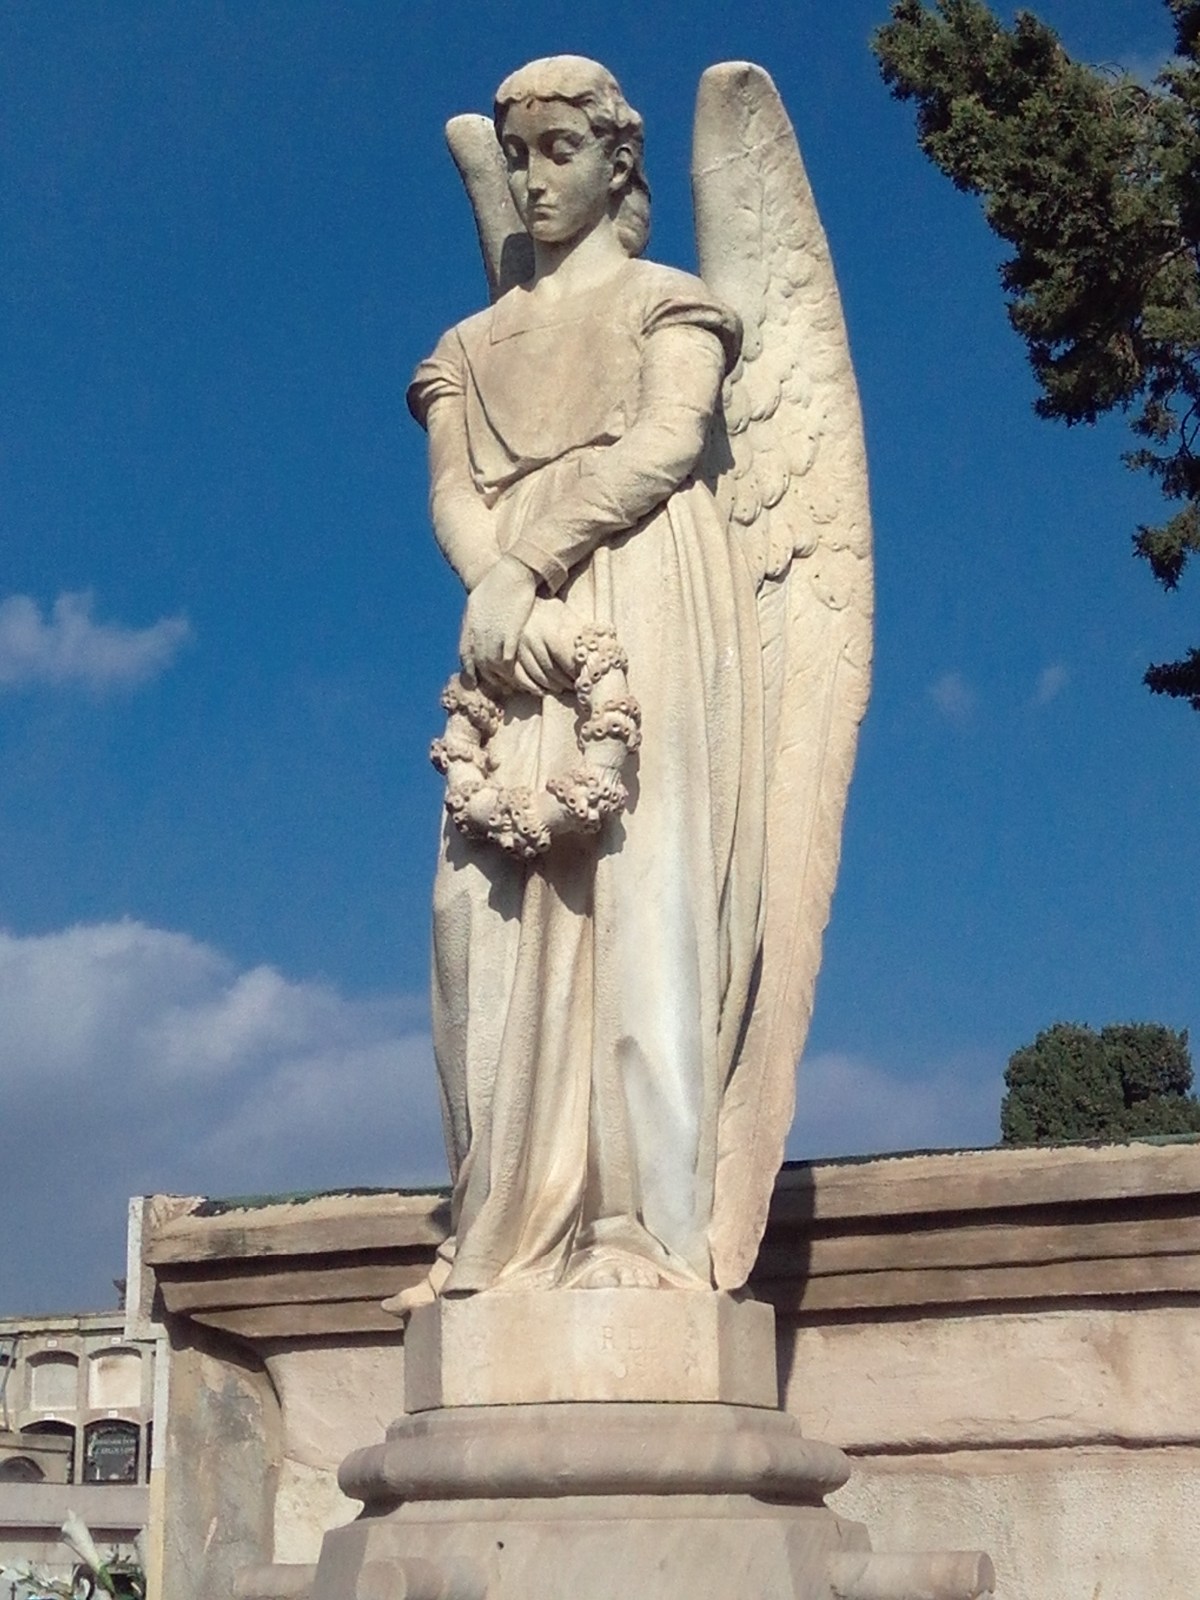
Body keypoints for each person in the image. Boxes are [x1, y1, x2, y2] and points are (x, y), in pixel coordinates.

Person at [403, 56, 766, 1299]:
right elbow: (454, 489)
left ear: (619, 163)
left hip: (641, 578)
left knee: (637, 887)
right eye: (518, 155)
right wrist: (498, 586)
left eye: (561, 150)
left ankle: (640, 1228)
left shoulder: (672, 304)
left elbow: (668, 440)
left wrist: (527, 566)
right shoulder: (467, 344)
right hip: (510, 630)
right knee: (474, 918)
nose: (532, 178)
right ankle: (500, 1224)